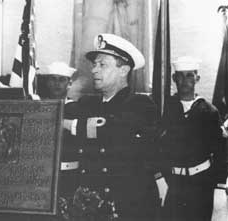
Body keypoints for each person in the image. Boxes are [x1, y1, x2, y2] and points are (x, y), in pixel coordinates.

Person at [61, 33, 159, 220]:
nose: (94, 70)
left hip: (128, 207)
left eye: (102, 65)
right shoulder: (86, 104)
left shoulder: (141, 105)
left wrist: (66, 124)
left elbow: (112, 130)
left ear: (124, 70)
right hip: (89, 207)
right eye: (94, 65)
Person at [157, 56, 227, 221]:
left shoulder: (209, 111)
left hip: (201, 183)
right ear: (174, 78)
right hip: (172, 182)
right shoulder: (166, 107)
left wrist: (219, 185)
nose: (185, 80)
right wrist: (159, 177)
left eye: (190, 75)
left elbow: (220, 151)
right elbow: (156, 145)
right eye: (180, 75)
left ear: (197, 78)